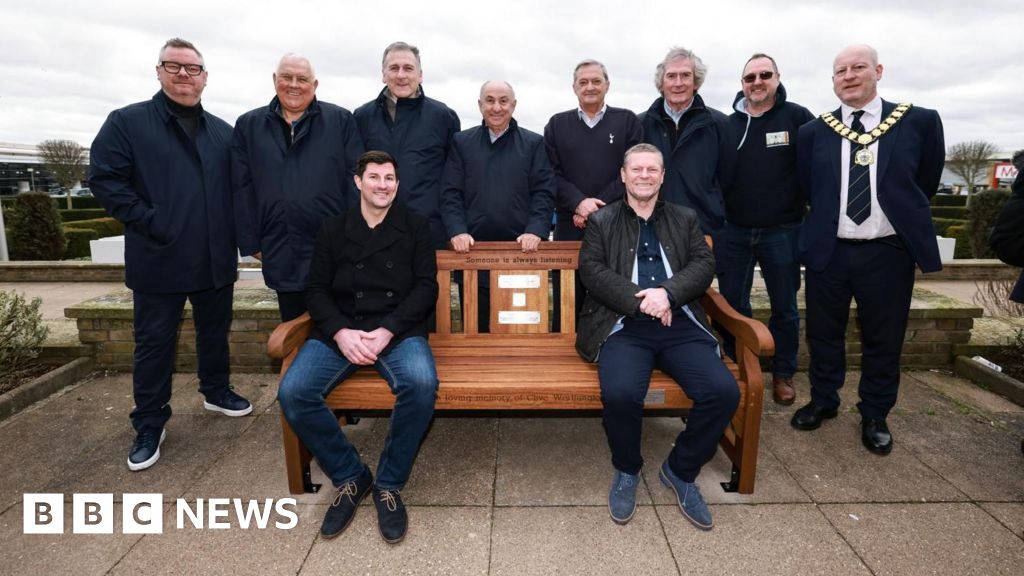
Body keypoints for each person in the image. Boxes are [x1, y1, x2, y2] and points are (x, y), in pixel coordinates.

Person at [89, 38, 251, 472]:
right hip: (159, 257)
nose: (183, 74)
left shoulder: (224, 132)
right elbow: (105, 180)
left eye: (192, 68)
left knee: (214, 332)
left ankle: (216, 391)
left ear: (204, 77)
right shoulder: (127, 122)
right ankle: (149, 422)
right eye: (173, 66)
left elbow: (239, 191)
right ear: (158, 71)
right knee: (154, 344)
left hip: (214, 258)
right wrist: (152, 220)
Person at [277, 150, 438, 544]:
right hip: (342, 329)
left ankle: (389, 484)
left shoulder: (416, 227)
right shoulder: (333, 228)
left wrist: (388, 330)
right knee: (293, 392)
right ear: (358, 182)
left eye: (389, 178)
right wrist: (339, 332)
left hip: (397, 331)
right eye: (374, 177)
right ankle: (351, 475)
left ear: (397, 185)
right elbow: (316, 289)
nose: (383, 185)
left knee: (421, 384)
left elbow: (426, 287)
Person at [792, 45, 945, 456]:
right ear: (833, 80)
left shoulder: (918, 121)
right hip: (830, 251)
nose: (849, 76)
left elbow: (925, 182)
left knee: (884, 337)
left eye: (858, 67)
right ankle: (824, 399)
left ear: (878, 71)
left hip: (888, 252)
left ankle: (875, 414)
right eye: (840, 70)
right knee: (824, 332)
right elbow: (809, 187)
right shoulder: (813, 132)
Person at [577, 142, 738, 530]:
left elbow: (703, 264)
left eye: (652, 169)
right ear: (623, 175)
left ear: (663, 176)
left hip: (679, 323)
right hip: (622, 324)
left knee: (723, 392)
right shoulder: (602, 221)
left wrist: (667, 294)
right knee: (620, 394)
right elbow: (593, 271)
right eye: (637, 169)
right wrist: (643, 302)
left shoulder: (684, 218)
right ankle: (627, 469)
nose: (644, 176)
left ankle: (680, 470)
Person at [232, 53, 364, 321]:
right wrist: (251, 242)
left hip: (334, 250)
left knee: (338, 329)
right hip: (280, 248)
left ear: (314, 85)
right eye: (287, 77)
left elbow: (356, 183)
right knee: (293, 330)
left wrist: (352, 238)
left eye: (302, 79)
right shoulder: (249, 126)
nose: (294, 84)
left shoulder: (340, 120)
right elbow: (241, 188)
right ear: (274, 80)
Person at [717, 53, 814, 405]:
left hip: (782, 230)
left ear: (777, 77)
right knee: (733, 306)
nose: (757, 82)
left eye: (764, 75)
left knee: (785, 306)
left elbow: (816, 170)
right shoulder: (727, 125)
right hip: (734, 231)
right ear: (742, 84)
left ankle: (783, 373)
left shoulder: (798, 118)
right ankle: (739, 367)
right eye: (750, 77)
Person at [440, 80, 556, 330]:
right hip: (472, 254)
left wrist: (536, 230)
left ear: (514, 105)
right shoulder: (462, 142)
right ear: (479, 105)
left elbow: (544, 192)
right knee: (476, 331)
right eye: (490, 100)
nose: (496, 107)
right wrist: (457, 231)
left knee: (521, 330)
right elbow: (451, 193)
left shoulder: (533, 143)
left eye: (503, 101)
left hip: (522, 254)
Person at [354, 41, 461, 250]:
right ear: (384, 74)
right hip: (374, 233)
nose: (401, 75)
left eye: (408, 68)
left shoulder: (444, 117)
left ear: (420, 75)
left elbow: (454, 179)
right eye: (394, 68)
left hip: (427, 233)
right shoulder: (362, 117)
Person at [544, 59, 642, 241]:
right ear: (574, 87)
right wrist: (578, 203)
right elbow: (550, 173)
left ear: (607, 85)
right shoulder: (557, 124)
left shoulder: (628, 121)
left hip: (618, 223)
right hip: (570, 224)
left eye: (596, 81)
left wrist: (594, 209)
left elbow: (633, 171)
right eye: (583, 82)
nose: (590, 87)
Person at [639, 47, 732, 235]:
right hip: (651, 230)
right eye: (671, 76)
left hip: (703, 230)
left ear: (696, 81)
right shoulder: (640, 125)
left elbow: (728, 180)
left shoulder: (719, 124)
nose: (678, 83)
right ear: (662, 82)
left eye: (685, 75)